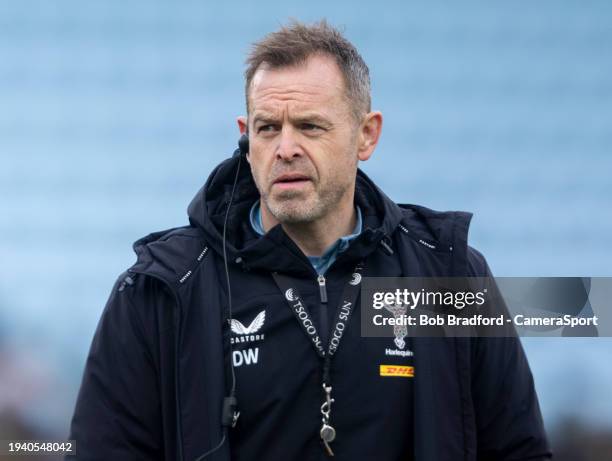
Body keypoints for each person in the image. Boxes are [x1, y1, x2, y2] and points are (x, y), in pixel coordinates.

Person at [68, 20, 552, 461]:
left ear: (367, 135)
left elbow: (516, 449)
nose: (285, 148)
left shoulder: (446, 275)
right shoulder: (164, 285)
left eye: (310, 126)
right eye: (267, 128)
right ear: (245, 136)